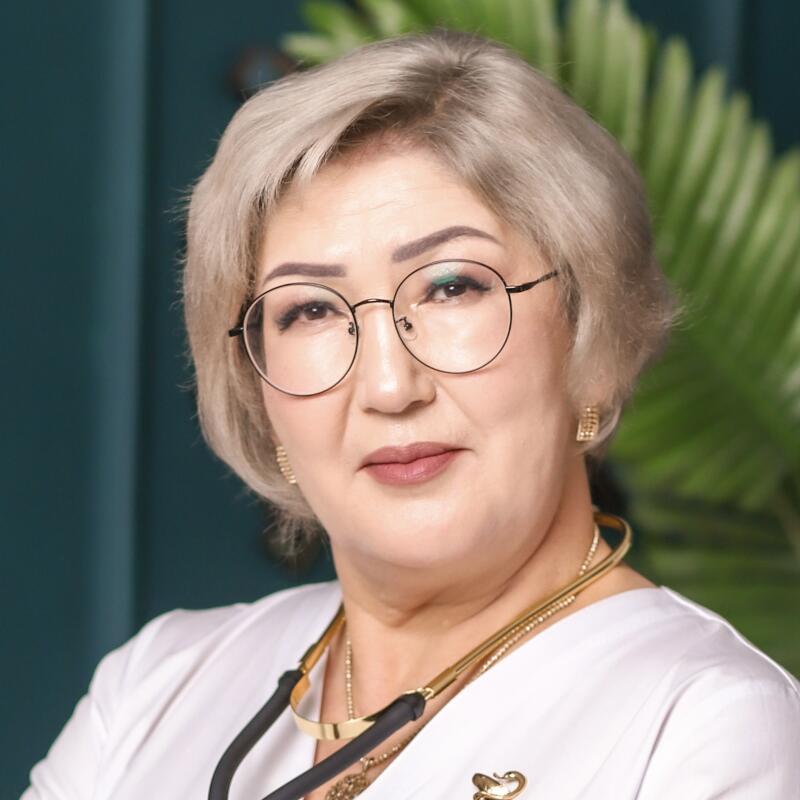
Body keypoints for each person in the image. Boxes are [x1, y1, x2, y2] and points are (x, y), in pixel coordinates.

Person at [23, 28, 799, 800]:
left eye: (451, 287)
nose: (390, 386)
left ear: (588, 334)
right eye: (312, 310)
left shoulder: (708, 729)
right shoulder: (155, 689)